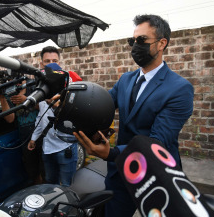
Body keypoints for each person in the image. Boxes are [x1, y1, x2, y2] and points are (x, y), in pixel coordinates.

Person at [74, 14, 194, 217]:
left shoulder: (179, 88)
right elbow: (102, 107)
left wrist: (110, 153)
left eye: (141, 40)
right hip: (120, 174)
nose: (135, 46)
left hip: (156, 175)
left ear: (161, 43)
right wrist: (70, 102)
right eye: (133, 41)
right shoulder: (126, 80)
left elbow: (157, 142)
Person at [27, 46, 82, 187]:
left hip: (66, 147)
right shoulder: (42, 87)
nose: (51, 64)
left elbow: (78, 116)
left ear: (60, 62)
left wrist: (57, 105)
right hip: (47, 147)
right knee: (50, 184)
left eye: (54, 60)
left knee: (66, 186)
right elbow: (41, 116)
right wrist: (34, 138)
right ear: (41, 64)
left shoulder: (72, 85)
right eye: (47, 61)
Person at [0, 79, 42, 185]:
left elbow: (47, 106)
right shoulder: (10, 93)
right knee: (33, 171)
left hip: (42, 136)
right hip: (25, 138)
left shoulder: (34, 87)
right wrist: (2, 98)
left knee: (46, 170)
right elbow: (9, 119)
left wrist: (26, 100)